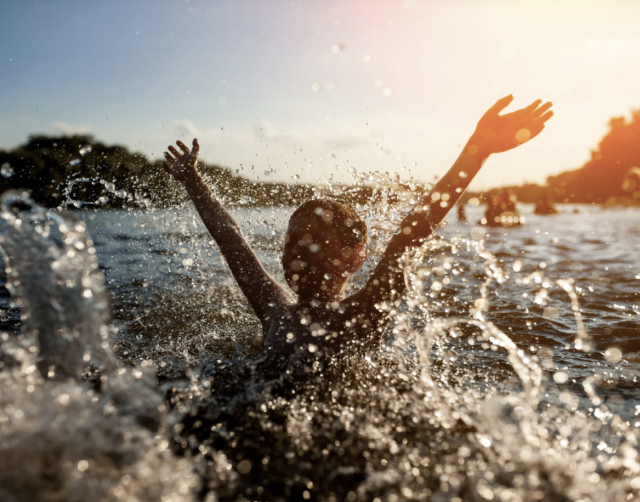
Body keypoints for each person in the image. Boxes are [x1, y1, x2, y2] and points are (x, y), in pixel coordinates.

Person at [162, 95, 553, 368]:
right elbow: (231, 238)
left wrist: (477, 150)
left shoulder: (363, 313)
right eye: (292, 241)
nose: (296, 251)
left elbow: (411, 234)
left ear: (355, 257)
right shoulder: (273, 309)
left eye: (313, 242)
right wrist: (193, 181)